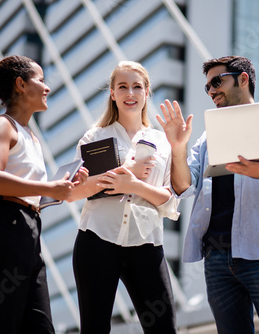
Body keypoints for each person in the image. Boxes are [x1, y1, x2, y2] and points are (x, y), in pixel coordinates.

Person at [157, 56, 259, 334]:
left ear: (243, 79)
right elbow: (183, 186)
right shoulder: (207, 138)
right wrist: (177, 147)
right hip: (217, 259)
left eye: (217, 82)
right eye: (207, 87)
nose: (212, 91)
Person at [0, 55, 88, 334]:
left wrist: (64, 186)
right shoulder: (1, 126)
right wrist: (48, 187)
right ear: (21, 84)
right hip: (4, 228)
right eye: (41, 80)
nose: (47, 88)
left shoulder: (31, 137)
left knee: (40, 327)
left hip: (28, 231)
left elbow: (30, 193)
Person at [68, 60, 180, 334]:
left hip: (146, 243)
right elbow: (74, 192)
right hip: (96, 240)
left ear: (146, 92)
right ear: (112, 93)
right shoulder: (93, 137)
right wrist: (126, 172)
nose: (130, 93)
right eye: (123, 87)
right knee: (94, 329)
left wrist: (133, 185)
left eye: (136, 87)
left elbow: (170, 201)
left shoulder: (163, 141)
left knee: (164, 328)